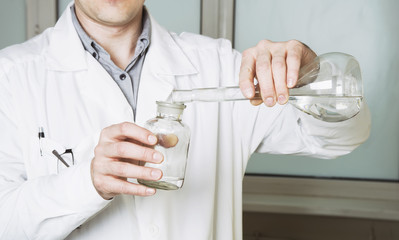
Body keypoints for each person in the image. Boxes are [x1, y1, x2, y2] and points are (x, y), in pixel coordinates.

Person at [0, 0, 370, 239]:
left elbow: (338, 139)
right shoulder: (12, 76)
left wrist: (307, 77)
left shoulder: (220, 65)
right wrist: (86, 182)